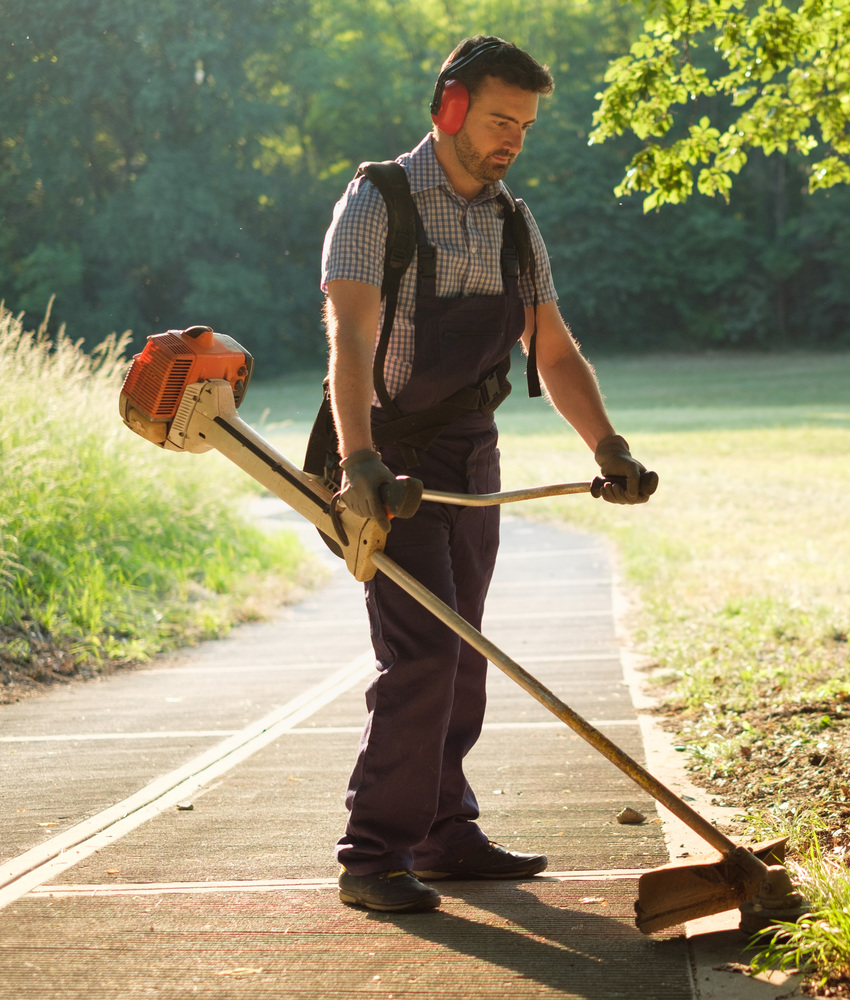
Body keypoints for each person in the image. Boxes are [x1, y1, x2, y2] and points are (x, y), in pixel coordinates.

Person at [319, 35, 655, 913]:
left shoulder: (512, 220)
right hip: (385, 459)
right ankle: (372, 854)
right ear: (452, 108)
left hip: (473, 454)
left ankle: (442, 831)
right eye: (501, 118)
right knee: (424, 649)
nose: (513, 138)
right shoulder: (378, 202)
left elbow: (551, 342)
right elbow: (348, 342)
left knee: (463, 646)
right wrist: (358, 463)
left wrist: (608, 448)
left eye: (527, 125)